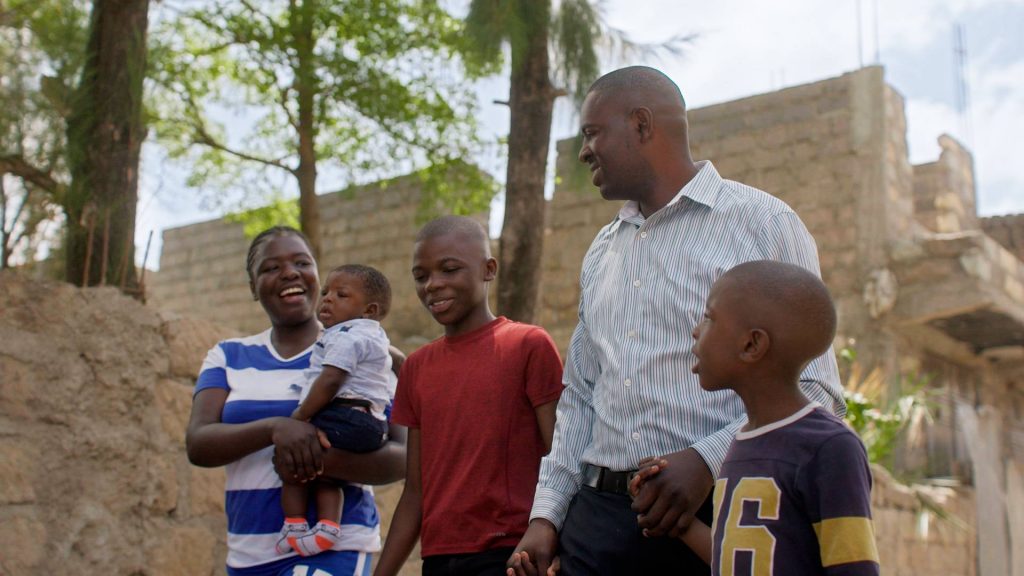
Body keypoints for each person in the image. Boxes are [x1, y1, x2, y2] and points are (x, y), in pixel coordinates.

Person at [509, 66, 846, 576]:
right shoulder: (601, 252)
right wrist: (547, 517)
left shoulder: (764, 223)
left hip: (718, 519)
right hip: (596, 527)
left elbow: (818, 393)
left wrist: (708, 462)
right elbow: (579, 396)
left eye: (591, 133)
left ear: (642, 125)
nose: (583, 152)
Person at [631, 261, 879, 574]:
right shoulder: (744, 441)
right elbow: (736, 559)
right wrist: (678, 523)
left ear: (752, 344)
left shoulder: (830, 447)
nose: (695, 330)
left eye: (709, 318)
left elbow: (854, 568)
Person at [186, 226, 407, 576]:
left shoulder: (364, 352)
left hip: (336, 548)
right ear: (252, 289)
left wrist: (316, 459)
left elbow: (403, 457)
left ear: (317, 276)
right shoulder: (228, 356)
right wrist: (276, 429)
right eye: (271, 268)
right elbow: (198, 445)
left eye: (302, 262)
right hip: (248, 552)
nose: (289, 272)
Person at [374, 215, 564, 576]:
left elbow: (560, 458)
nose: (433, 284)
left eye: (449, 270)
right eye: (421, 276)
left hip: (513, 556)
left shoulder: (527, 345)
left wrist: (559, 541)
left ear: (488, 269)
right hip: (440, 560)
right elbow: (415, 493)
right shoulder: (416, 367)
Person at [278, 264, 397, 557]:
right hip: (368, 422)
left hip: (346, 414)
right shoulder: (375, 336)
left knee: (294, 455)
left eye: (341, 295)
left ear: (369, 310)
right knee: (326, 474)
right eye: (327, 292)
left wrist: (300, 417)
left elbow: (331, 379)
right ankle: (327, 529)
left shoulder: (349, 334)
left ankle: (293, 527)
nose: (328, 298)